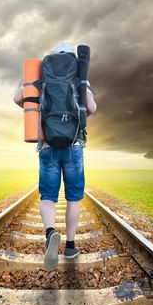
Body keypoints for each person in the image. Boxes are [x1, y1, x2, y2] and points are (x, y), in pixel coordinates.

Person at [13, 41, 97, 270]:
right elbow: (92, 108)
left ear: (54, 56)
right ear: (72, 57)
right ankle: (70, 246)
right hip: (74, 145)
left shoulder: (43, 74)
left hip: (48, 145)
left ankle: (51, 232)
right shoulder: (80, 78)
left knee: (48, 196)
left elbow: (18, 98)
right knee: (73, 197)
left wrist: (34, 101)